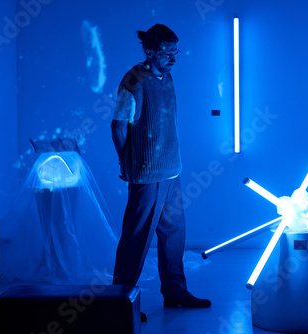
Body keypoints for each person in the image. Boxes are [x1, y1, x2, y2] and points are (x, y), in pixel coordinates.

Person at [111, 24, 211, 321]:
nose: (173, 58)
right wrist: (124, 163)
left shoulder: (167, 77)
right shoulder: (133, 81)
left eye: (175, 51)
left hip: (171, 170)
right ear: (150, 51)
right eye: (167, 53)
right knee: (136, 238)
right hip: (146, 173)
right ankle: (121, 299)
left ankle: (175, 291)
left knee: (174, 234)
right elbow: (117, 126)